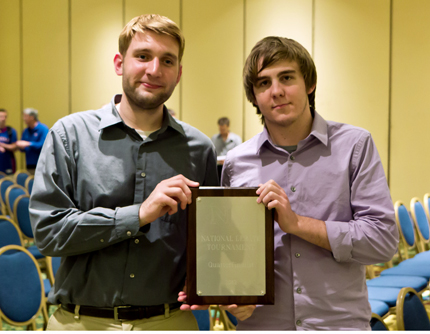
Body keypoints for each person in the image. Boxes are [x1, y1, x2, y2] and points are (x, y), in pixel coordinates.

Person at [180, 36, 399, 330]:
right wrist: (235, 300)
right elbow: (229, 253)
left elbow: (382, 242)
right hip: (263, 325)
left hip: (337, 324)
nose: (277, 92)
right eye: (263, 83)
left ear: (309, 83)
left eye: (286, 78)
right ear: (254, 97)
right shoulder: (236, 162)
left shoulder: (354, 146)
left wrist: (297, 224)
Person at [29, 14, 218, 331]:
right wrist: (139, 215)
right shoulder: (69, 135)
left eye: (167, 61)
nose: (154, 70)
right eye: (143, 56)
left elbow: (212, 242)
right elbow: (48, 233)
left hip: (169, 321)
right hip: (80, 322)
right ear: (120, 63)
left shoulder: (199, 148)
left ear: (179, 73)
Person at [16, 108, 49, 173]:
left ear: (32, 117)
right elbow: (22, 148)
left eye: (25, 116)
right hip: (29, 164)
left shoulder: (43, 129)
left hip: (41, 164)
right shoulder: (26, 131)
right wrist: (21, 146)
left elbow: (44, 145)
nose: (24, 118)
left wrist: (28, 144)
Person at [0, 108, 17, 175]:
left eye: (5, 117)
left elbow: (14, 147)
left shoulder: (10, 131)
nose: (3, 119)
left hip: (8, 163)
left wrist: (2, 145)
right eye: (1, 116)